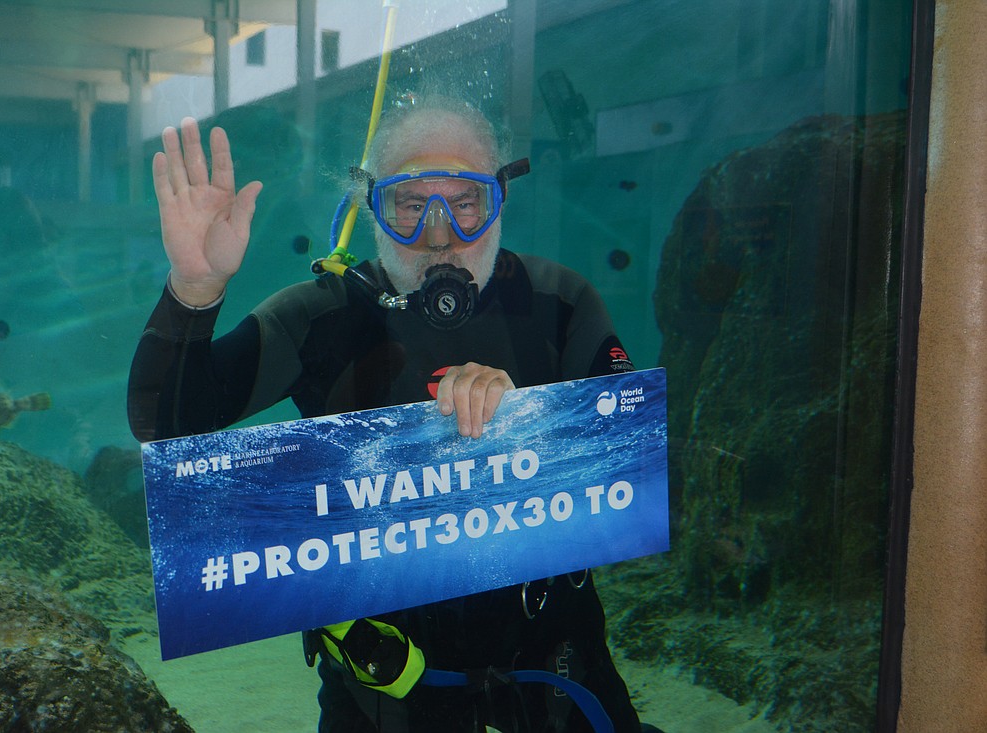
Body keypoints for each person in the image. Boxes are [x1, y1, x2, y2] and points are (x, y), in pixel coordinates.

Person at [128, 97, 650, 733]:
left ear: (500, 200)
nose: (439, 235)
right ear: (370, 209)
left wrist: (531, 421)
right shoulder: (321, 317)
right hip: (384, 693)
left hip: (560, 680)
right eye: (409, 205)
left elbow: (641, 470)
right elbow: (164, 427)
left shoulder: (561, 304)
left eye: (466, 202)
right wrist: (194, 287)